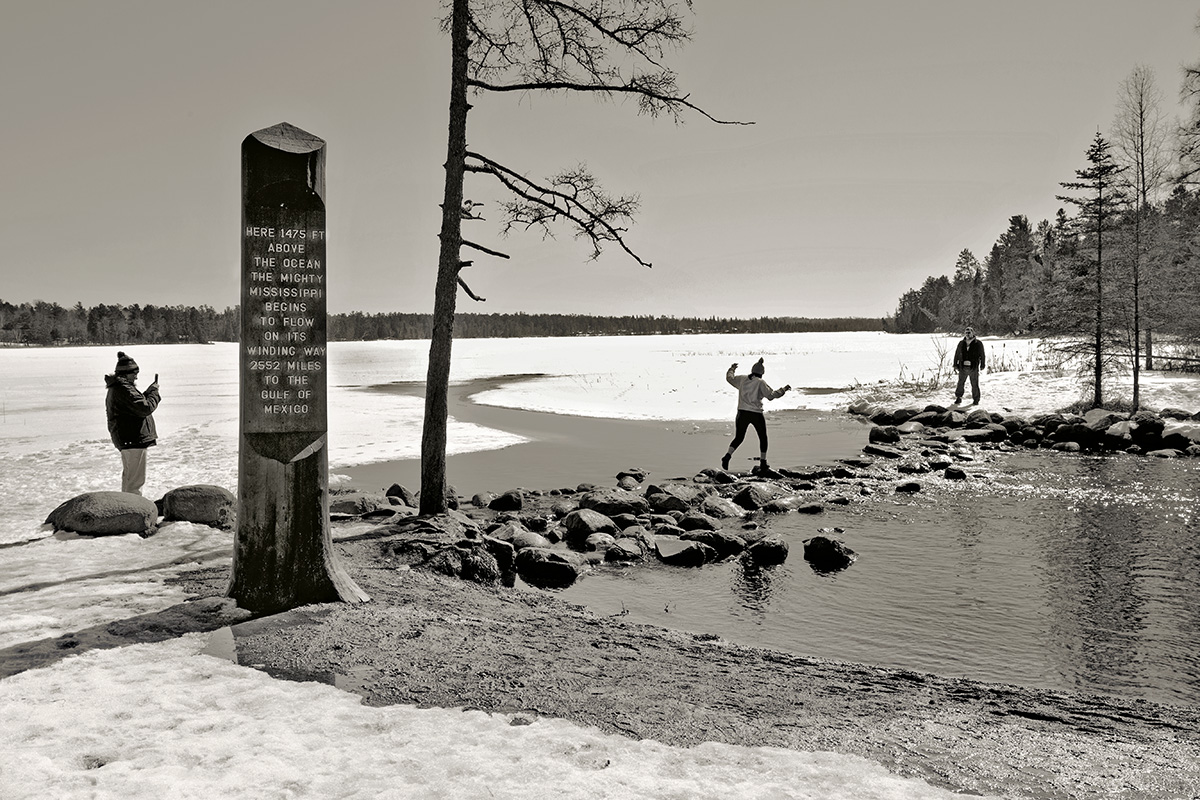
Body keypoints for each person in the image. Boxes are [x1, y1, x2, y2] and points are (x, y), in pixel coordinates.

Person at [105, 351, 161, 495]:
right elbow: (145, 408)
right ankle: (133, 511)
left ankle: (128, 507)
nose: (136, 376)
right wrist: (154, 393)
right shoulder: (124, 389)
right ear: (125, 374)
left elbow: (137, 404)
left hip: (128, 439)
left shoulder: (120, 388)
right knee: (135, 481)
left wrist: (148, 393)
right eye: (134, 373)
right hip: (133, 438)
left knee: (130, 478)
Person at [721, 357, 790, 473]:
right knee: (763, 437)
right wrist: (783, 389)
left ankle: (727, 455)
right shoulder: (760, 382)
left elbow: (729, 378)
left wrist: (732, 368)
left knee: (739, 437)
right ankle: (763, 463)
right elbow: (771, 395)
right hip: (756, 414)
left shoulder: (742, 379)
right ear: (762, 373)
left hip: (742, 412)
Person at [952, 326, 986, 406]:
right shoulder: (961, 343)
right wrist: (955, 364)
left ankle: (976, 399)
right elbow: (957, 354)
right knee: (960, 383)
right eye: (966, 332)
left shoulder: (978, 343)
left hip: (973, 367)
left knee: (974, 384)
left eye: (969, 332)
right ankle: (958, 397)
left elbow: (982, 354)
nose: (968, 334)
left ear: (973, 333)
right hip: (962, 367)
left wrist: (982, 364)